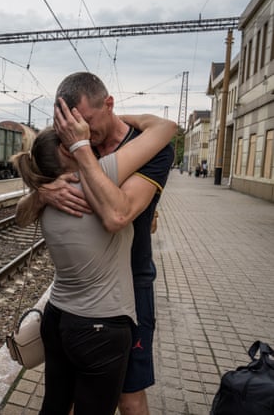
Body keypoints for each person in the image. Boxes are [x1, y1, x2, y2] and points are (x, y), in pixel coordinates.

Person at [18, 72, 175, 415]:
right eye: (72, 130)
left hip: (129, 282)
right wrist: (43, 189)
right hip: (97, 315)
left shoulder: (139, 151)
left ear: (108, 105)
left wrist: (48, 181)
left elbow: (119, 212)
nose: (83, 134)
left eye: (86, 123)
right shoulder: (86, 165)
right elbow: (115, 218)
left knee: (128, 396)